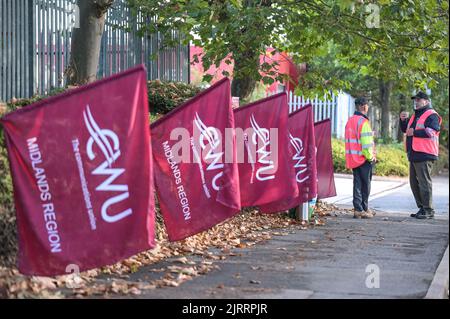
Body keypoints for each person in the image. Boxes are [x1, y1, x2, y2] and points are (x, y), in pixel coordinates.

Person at [400, 91, 442, 219]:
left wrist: (415, 132)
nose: (416, 102)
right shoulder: (415, 115)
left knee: (424, 183)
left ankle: (428, 210)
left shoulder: (431, 115)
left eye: (419, 100)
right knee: (413, 183)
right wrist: (403, 121)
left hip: (425, 153)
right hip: (414, 153)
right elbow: (406, 130)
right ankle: (422, 208)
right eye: (415, 100)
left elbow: (432, 131)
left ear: (426, 101)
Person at [345, 97, 376, 219]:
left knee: (357, 184)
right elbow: (366, 144)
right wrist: (370, 157)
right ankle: (363, 208)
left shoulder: (350, 121)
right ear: (364, 106)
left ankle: (359, 209)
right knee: (365, 185)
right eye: (367, 105)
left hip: (353, 157)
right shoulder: (363, 122)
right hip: (363, 158)